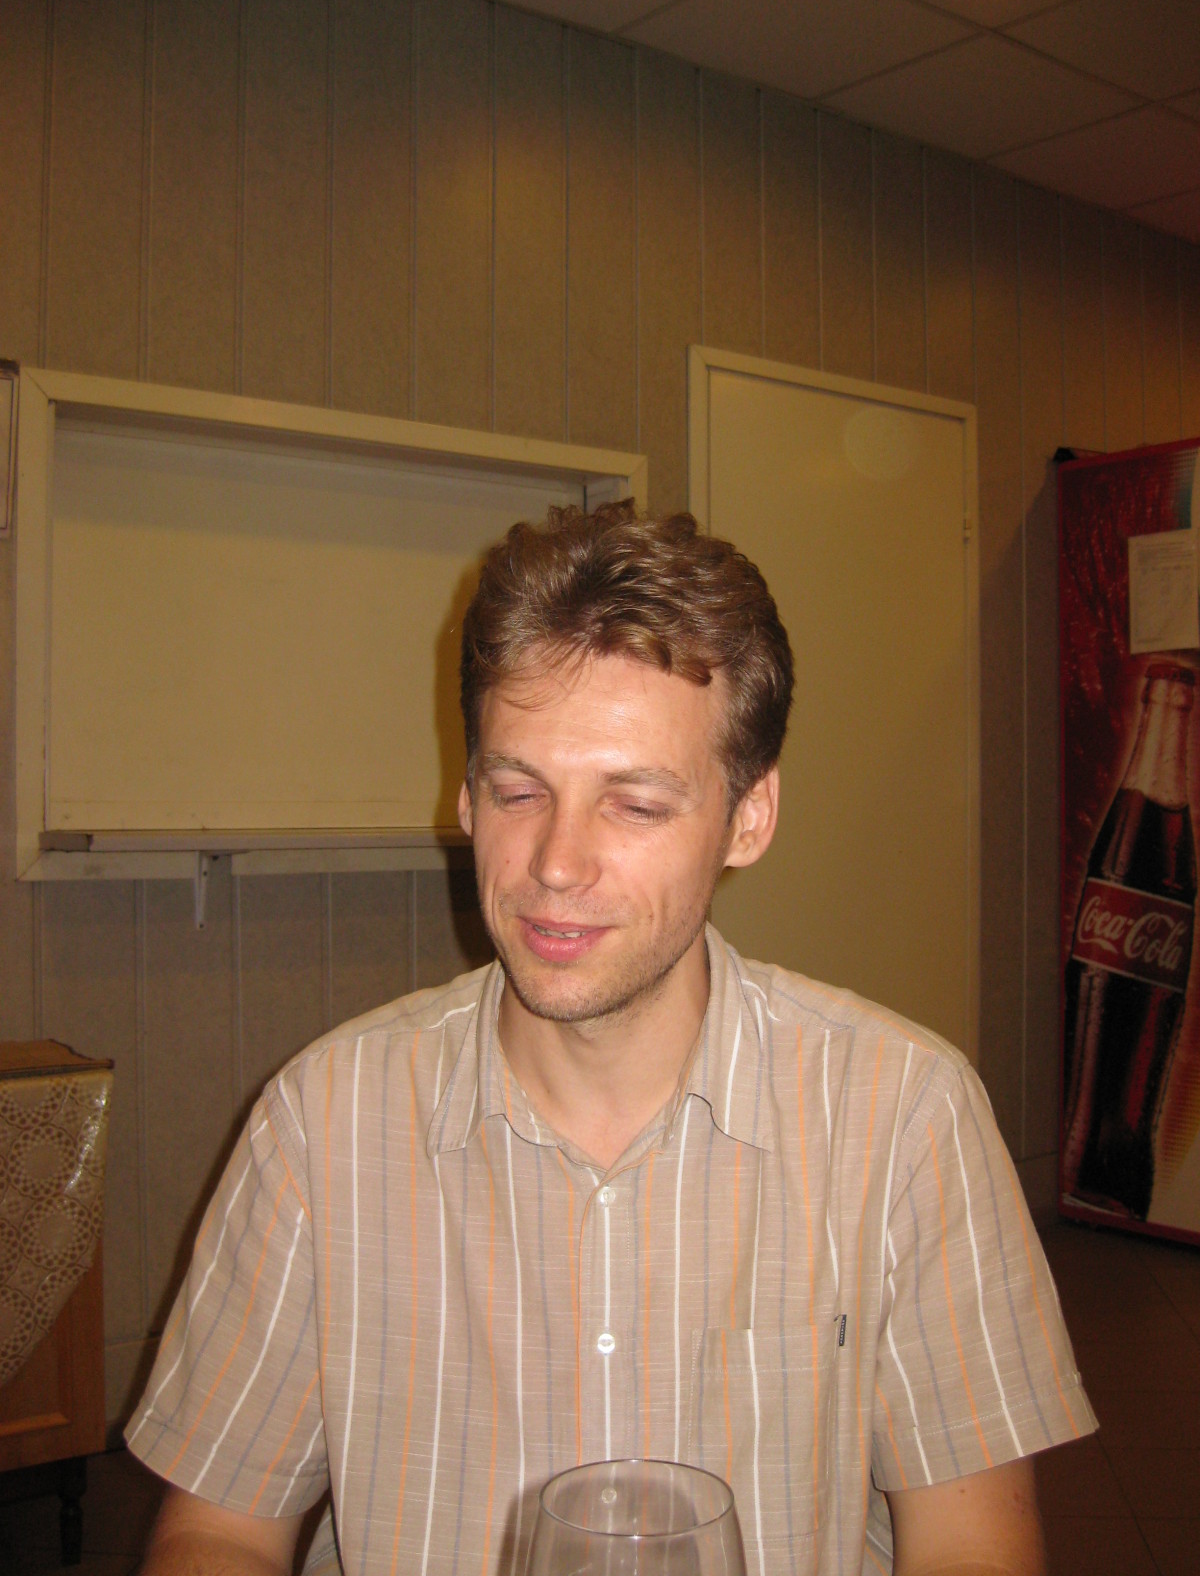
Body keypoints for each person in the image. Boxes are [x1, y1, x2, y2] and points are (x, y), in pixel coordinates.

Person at [128, 501, 1095, 1576]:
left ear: (749, 818)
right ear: (465, 797)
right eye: (518, 790)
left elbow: (971, 1545)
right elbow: (218, 1532)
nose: (555, 861)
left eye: (633, 805)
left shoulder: (906, 1116)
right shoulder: (321, 1123)